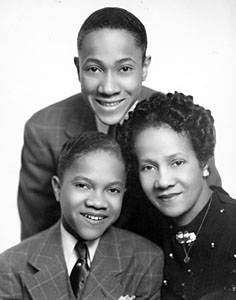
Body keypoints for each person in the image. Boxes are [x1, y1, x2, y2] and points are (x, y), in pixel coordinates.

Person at [18, 6, 221, 240]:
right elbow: (37, 241)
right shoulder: (43, 129)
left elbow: (209, 212)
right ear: (78, 68)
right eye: (94, 69)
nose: (109, 88)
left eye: (125, 69)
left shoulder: (180, 120)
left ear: (144, 67)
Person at [0, 131, 164, 300]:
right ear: (57, 188)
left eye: (113, 190)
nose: (98, 202)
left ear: (123, 194)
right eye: (83, 186)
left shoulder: (146, 259)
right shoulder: (12, 265)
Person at [117, 92, 236, 299]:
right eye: (148, 167)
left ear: (203, 161)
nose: (163, 181)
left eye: (177, 163)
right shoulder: (139, 235)